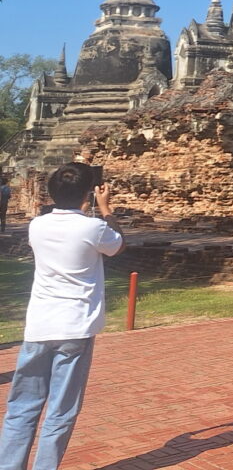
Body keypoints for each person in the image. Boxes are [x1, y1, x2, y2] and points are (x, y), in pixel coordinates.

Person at [0, 162, 124, 470]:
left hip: (39, 326)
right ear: (87, 195)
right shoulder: (93, 227)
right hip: (74, 328)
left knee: (21, 406)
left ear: (53, 193)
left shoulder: (37, 225)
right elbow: (117, 245)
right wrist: (106, 208)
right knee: (61, 409)